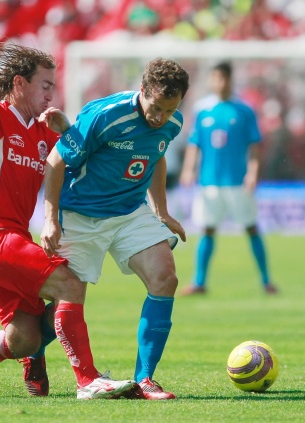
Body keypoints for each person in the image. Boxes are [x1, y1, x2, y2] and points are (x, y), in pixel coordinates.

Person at [0, 8, 136, 400]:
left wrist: (67, 132)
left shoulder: (43, 134)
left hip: (8, 241)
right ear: (19, 83)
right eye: (45, 85)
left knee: (24, 339)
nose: (51, 93)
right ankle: (88, 379)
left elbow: (81, 166)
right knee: (69, 283)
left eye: (53, 85)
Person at [38, 58, 190, 400]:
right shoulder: (105, 115)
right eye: (155, 108)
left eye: (170, 110)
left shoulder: (172, 122)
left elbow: (157, 155)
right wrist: (50, 219)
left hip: (128, 212)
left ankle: (145, 379)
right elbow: (55, 162)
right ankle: (32, 351)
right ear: (143, 90)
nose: (160, 117)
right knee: (66, 299)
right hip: (81, 213)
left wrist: (161, 211)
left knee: (165, 276)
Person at [179, 61, 277, 296]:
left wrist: (253, 173)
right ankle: (199, 282)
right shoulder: (203, 110)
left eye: (223, 78)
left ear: (231, 80)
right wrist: (188, 169)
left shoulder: (243, 110)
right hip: (209, 182)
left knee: (251, 228)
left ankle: (266, 281)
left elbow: (255, 146)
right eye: (215, 78)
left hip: (238, 181)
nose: (219, 83)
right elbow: (194, 144)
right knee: (208, 229)